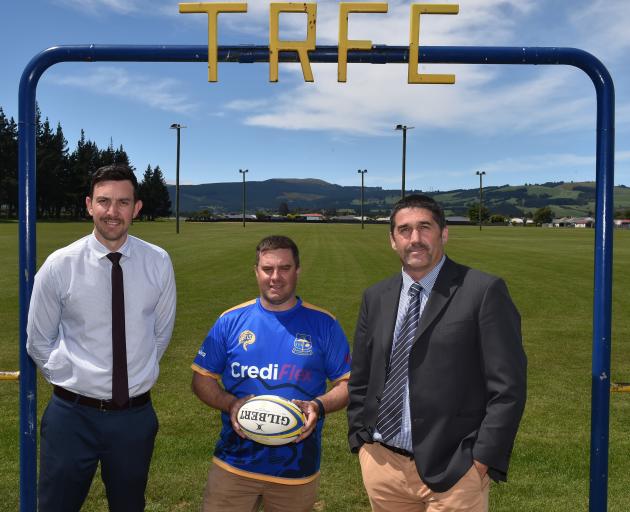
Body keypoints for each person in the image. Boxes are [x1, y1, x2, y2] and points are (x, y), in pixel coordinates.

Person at [347, 194, 526, 512]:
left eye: (424, 228)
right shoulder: (375, 297)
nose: (414, 239)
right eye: (404, 230)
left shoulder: (483, 291)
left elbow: (508, 388)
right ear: (392, 240)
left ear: (444, 233)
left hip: (455, 471)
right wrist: (362, 442)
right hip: (383, 465)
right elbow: (361, 376)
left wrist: (480, 460)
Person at [26, 164, 177, 512]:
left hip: (134, 418)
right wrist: (74, 379)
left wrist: (132, 379)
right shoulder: (60, 264)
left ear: (136, 208)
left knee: (128, 505)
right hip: (71, 417)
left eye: (123, 202)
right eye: (104, 201)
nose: (112, 212)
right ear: (89, 205)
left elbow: (161, 333)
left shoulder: (157, 262)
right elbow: (38, 341)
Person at [191, 235, 351, 512]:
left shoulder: (324, 324)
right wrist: (230, 403)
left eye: (284, 268)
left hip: (297, 468)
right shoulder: (230, 321)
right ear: (256, 271)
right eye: (267, 269)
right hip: (233, 465)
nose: (275, 277)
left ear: (297, 271)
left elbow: (348, 383)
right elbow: (201, 378)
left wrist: (318, 405)